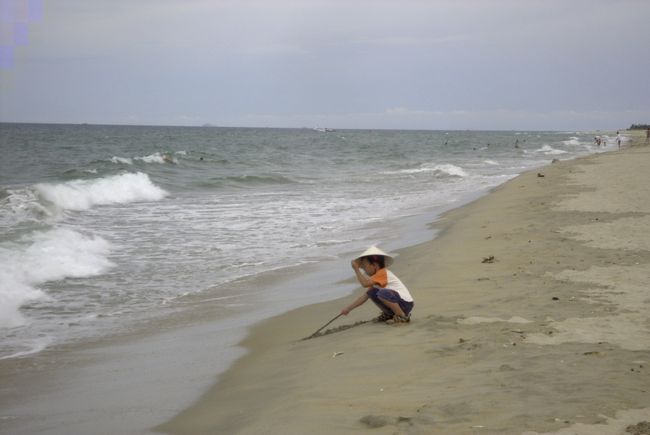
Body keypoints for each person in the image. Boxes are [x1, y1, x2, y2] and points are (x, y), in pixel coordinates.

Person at [341, 246, 414, 325]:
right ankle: (390, 314)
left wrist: (356, 269)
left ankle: (401, 316)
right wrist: (348, 309)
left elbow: (364, 284)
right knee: (372, 292)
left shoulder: (383, 272)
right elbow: (364, 297)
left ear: (375, 265)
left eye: (365, 266)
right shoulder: (376, 278)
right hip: (398, 303)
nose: (364, 270)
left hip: (405, 304)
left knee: (382, 293)